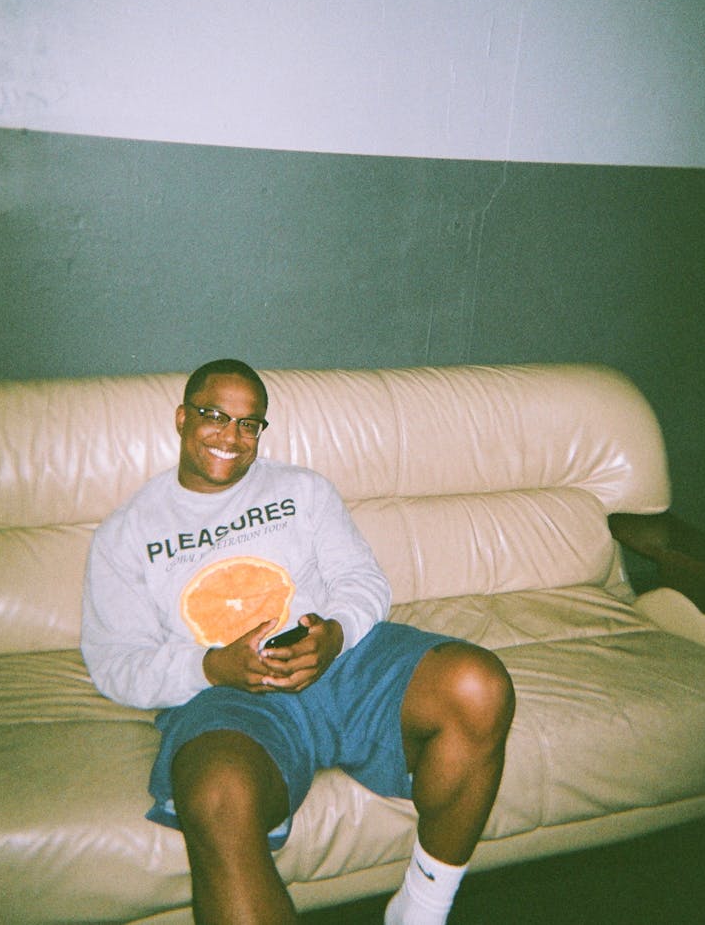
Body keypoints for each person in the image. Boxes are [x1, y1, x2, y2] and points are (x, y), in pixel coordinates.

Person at [82, 358, 515, 925]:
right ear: (182, 418)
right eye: (214, 415)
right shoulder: (126, 533)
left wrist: (334, 635)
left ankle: (421, 907)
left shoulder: (303, 491)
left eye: (249, 423)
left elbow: (362, 582)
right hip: (227, 696)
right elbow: (116, 664)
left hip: (343, 667)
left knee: (477, 684)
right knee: (216, 794)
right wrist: (212, 668)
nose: (231, 436)